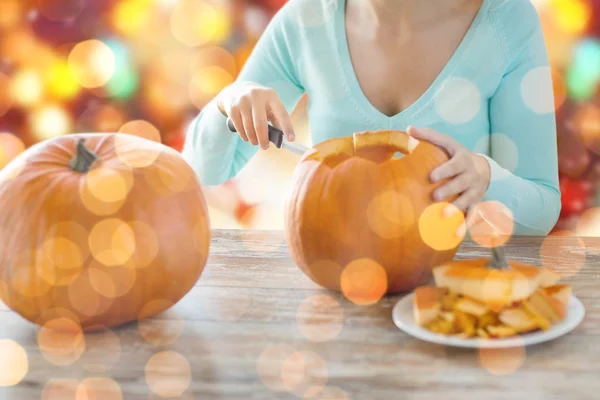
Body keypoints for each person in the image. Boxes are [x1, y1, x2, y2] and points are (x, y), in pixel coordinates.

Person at [182, 0, 561, 235]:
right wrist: (226, 103)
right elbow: (204, 172)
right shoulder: (306, 20)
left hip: (455, 295)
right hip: (334, 291)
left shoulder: (507, 20)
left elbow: (542, 208)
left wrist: (485, 179)